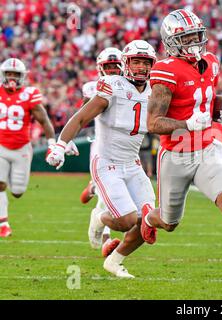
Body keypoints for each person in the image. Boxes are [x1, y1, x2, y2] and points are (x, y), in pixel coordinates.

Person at [141, 9, 222, 292]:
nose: (194, 43)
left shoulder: (210, 62)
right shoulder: (165, 70)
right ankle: (150, 216)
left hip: (207, 149)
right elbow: (153, 123)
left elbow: (204, 100)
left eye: (196, 36)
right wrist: (186, 123)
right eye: (186, 38)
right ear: (171, 42)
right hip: (175, 154)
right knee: (169, 222)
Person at [46, 40, 157, 278]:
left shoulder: (156, 90)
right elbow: (80, 118)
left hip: (133, 163)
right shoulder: (112, 86)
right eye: (136, 62)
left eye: (145, 63)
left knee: (149, 219)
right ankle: (98, 217)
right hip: (107, 162)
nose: (140, 68)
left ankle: (115, 261)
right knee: (127, 220)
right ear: (126, 63)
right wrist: (60, 145)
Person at [0, 58, 64, 237]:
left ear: (22, 76)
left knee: (18, 191)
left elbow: (44, 120)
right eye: (9, 74)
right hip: (0, 146)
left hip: (21, 148)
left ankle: (11, 180)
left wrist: (52, 145)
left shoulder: (29, 94)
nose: (12, 77)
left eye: (15, 74)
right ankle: (3, 224)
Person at [78, 47, 123, 254]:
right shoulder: (93, 88)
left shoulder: (132, 87)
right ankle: (106, 240)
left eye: (116, 66)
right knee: (108, 199)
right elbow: (82, 115)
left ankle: (93, 188)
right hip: (102, 147)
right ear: (100, 69)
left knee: (117, 196)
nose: (113, 70)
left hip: (126, 149)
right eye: (109, 67)